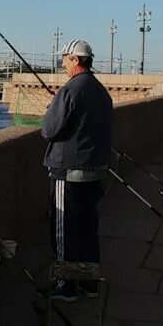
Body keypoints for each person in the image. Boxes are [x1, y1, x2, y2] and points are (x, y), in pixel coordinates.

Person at [41, 39, 113, 302]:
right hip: (95, 170)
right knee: (87, 227)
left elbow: (48, 130)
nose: (62, 62)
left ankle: (66, 285)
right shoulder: (100, 90)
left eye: (65, 58)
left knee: (64, 230)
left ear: (75, 60)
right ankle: (90, 282)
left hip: (68, 170)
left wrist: (53, 108)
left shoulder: (71, 90)